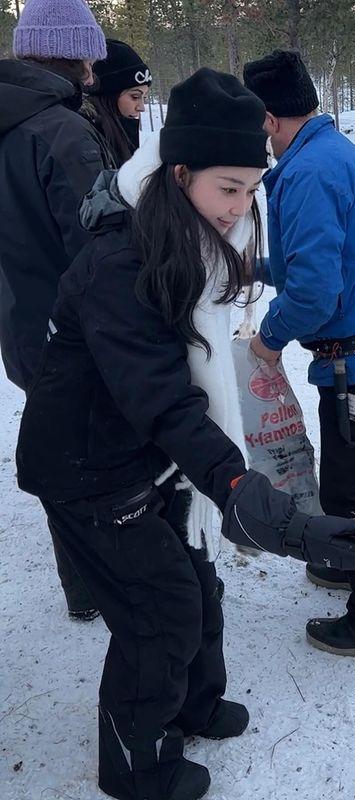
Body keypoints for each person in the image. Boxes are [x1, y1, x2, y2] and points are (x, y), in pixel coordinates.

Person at [15, 68, 355, 800]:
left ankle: (192, 703)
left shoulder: (188, 241)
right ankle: (137, 766)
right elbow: (163, 399)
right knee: (159, 611)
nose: (240, 207)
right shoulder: (120, 265)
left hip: (144, 454)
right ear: (180, 173)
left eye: (252, 190)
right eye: (228, 188)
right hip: (88, 467)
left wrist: (234, 485)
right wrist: (240, 487)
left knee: (197, 581)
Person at [243, 50, 355, 658]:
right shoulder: (329, 153)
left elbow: (315, 293)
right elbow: (320, 262)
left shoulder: (309, 173)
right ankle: (352, 564)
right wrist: (253, 268)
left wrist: (268, 340)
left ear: (269, 119)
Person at [0, 0, 109, 620]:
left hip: (23, 326)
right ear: (73, 54)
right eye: (90, 51)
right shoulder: (60, 132)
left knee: (62, 445)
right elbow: (100, 248)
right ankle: (105, 583)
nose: (95, 64)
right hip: (74, 332)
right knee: (97, 456)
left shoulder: (13, 120)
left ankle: (85, 587)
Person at [83, 38, 152, 168]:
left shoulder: (117, 132)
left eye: (145, 97)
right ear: (109, 94)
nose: (141, 107)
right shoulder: (84, 138)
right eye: (135, 96)